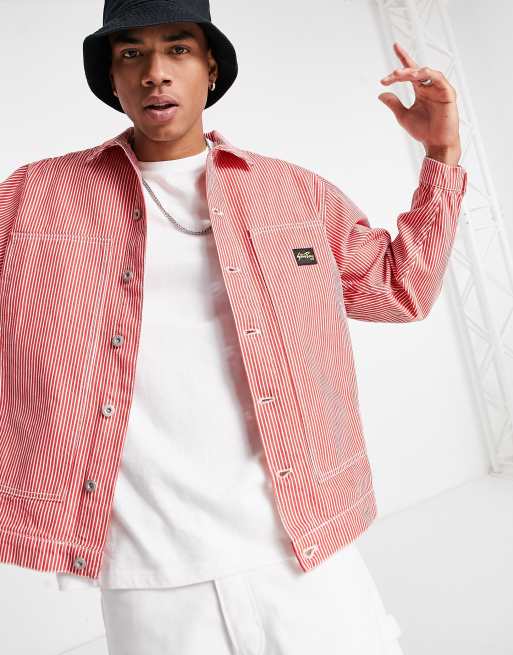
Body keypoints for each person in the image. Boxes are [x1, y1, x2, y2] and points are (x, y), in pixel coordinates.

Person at [0, 0, 467, 652]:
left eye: (178, 49)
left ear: (211, 67)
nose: (155, 72)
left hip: (302, 549)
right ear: (111, 75)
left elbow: (400, 290)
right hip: (147, 572)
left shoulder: (291, 193)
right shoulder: (34, 199)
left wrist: (440, 153)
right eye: (131, 53)